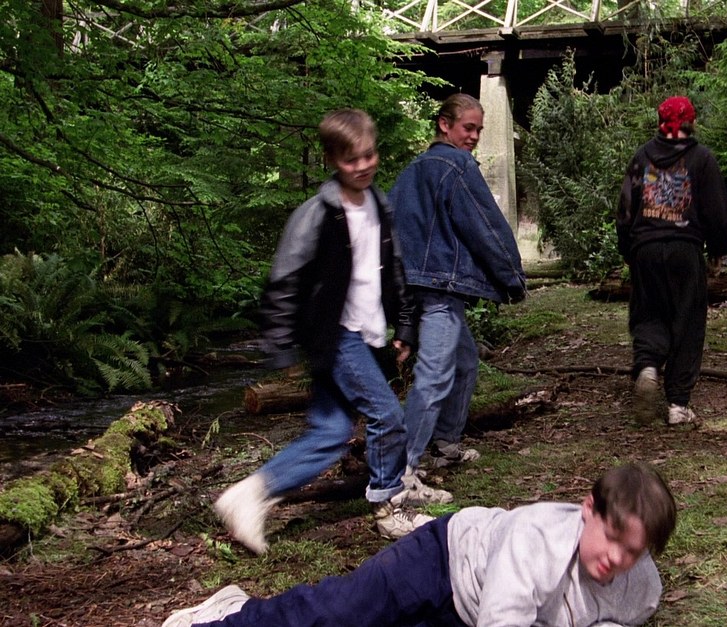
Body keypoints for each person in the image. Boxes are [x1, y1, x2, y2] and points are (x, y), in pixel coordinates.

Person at [213, 109, 453, 553]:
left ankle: (249, 494)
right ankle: (389, 506)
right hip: (334, 334)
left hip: (365, 332)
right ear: (331, 160)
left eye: (369, 155)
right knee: (387, 416)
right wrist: (280, 346)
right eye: (350, 159)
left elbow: (394, 269)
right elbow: (284, 279)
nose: (362, 166)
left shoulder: (379, 205)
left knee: (331, 433)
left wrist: (404, 324)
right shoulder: (316, 214)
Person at [162, 462, 677, 627]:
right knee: (339, 613)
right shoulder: (534, 538)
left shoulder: (642, 589)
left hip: (466, 614)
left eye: (633, 552)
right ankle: (228, 617)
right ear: (588, 509)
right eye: (612, 538)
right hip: (442, 558)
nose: (617, 559)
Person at [388, 93, 527, 471]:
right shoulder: (458, 165)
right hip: (440, 289)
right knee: (433, 377)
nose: (475, 136)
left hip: (414, 287)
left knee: (464, 362)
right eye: (468, 128)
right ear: (444, 125)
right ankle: (401, 469)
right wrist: (512, 278)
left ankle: (445, 445)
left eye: (479, 129)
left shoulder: (410, 171)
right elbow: (486, 227)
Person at [616, 95, 727, 426]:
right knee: (688, 321)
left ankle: (648, 366)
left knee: (649, 313)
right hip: (685, 249)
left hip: (646, 248)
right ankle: (678, 404)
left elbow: (625, 209)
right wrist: (718, 249)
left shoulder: (641, 157)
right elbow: (718, 213)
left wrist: (628, 249)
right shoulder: (702, 159)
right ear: (691, 123)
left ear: (660, 122)